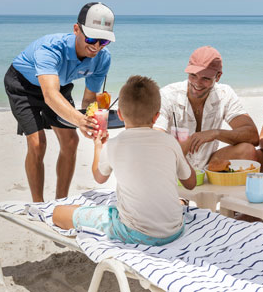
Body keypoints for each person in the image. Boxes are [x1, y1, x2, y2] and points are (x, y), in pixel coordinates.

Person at [52, 75, 196, 245]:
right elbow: (191, 183)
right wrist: (181, 151)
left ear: (119, 114)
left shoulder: (115, 144)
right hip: (174, 231)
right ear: (156, 116)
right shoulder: (170, 142)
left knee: (58, 213)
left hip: (135, 232)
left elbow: (99, 177)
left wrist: (98, 146)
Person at [4, 2, 115, 201]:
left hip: (60, 86)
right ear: (76, 29)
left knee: (71, 142)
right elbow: (50, 95)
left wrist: (92, 120)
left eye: (104, 41)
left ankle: (60, 202)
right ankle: (38, 204)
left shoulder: (102, 58)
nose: (96, 46)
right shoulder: (50, 48)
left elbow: (89, 99)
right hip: (23, 86)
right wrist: (80, 121)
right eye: (91, 38)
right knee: (38, 143)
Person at [154, 46, 259, 171]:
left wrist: (215, 133)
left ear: (218, 76)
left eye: (205, 78)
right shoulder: (167, 95)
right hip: (174, 163)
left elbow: (253, 136)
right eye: (193, 75)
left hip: (208, 163)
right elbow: (155, 137)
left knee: (247, 150)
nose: (197, 83)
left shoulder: (225, 94)